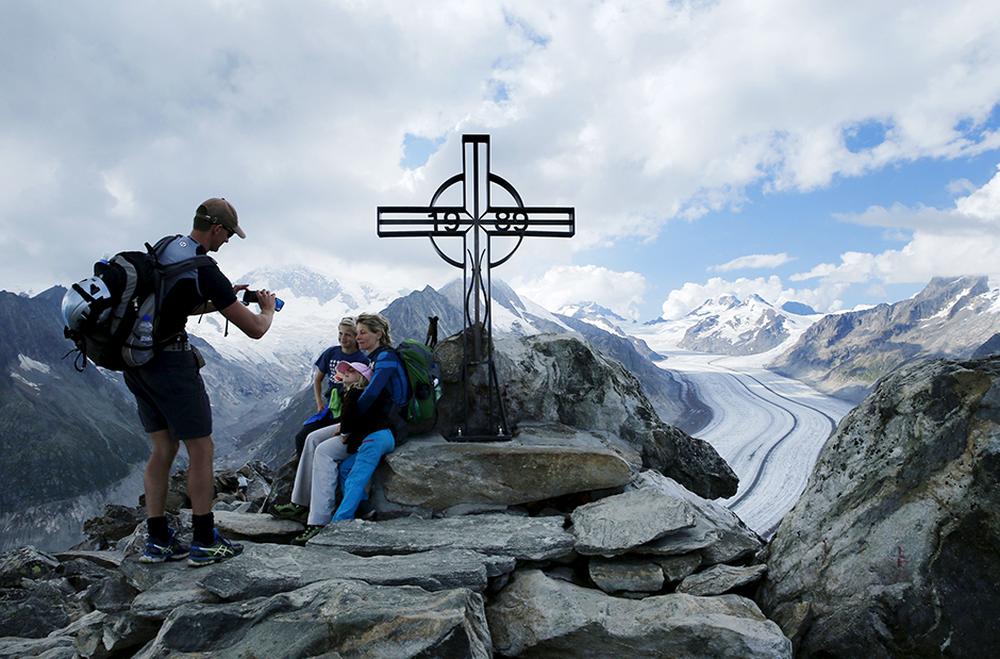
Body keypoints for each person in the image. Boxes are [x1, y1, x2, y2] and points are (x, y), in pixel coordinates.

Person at [125, 197, 277, 567]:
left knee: (162, 449)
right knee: (202, 449)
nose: (227, 242)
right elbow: (255, 330)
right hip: (172, 365)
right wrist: (267, 309)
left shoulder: (166, 248)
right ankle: (205, 540)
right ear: (218, 229)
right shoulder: (206, 268)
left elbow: (175, 302)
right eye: (228, 236)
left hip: (136, 359)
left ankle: (157, 541)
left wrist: (220, 300)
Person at [288, 360, 396, 545]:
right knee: (345, 466)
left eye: (352, 371)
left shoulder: (355, 393)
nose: (346, 372)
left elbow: (352, 424)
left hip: (371, 438)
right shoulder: (361, 393)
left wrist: (345, 433)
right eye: (345, 370)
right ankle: (361, 506)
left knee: (339, 463)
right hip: (373, 436)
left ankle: (328, 520)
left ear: (361, 377)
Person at [330, 312, 409, 523]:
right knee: (346, 469)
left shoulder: (386, 358)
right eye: (357, 333)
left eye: (363, 333)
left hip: (385, 430)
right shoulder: (375, 359)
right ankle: (364, 508)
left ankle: (339, 523)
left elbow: (372, 393)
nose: (358, 337)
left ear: (379, 334)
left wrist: (349, 423)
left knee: (356, 476)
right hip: (378, 429)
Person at [294, 317, 365, 457]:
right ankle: (303, 471)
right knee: (301, 437)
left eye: (347, 334)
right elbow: (318, 379)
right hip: (331, 408)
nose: (342, 338)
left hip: (348, 409)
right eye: (340, 333)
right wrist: (319, 403)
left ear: (356, 336)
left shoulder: (362, 359)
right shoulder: (331, 353)